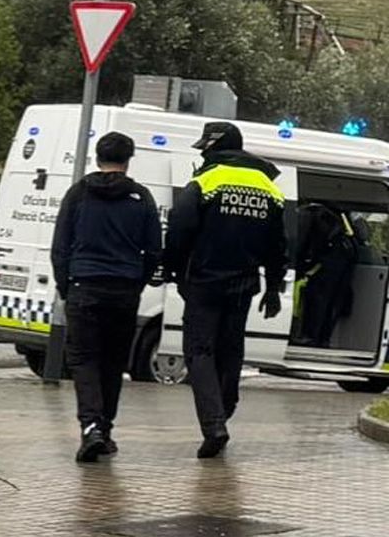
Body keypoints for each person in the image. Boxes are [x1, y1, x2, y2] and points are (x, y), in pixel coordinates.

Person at [163, 121, 288, 458]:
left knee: (199, 351)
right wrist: (274, 287)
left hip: (204, 281)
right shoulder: (270, 189)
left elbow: (179, 228)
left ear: (216, 147)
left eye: (205, 146)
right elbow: (278, 246)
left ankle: (214, 423)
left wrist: (172, 269)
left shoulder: (206, 181)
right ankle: (227, 403)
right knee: (231, 349)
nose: (202, 152)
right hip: (244, 283)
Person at [51, 131, 162, 463]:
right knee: (114, 363)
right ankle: (105, 428)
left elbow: (60, 247)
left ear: (97, 158)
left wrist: (65, 285)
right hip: (124, 290)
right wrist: (137, 282)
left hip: (84, 287)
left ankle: (91, 428)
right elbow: (154, 251)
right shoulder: (141, 198)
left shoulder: (78, 194)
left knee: (83, 360)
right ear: (128, 161)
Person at [294, 202, 358, 348]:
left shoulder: (312, 213)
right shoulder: (339, 218)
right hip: (338, 263)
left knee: (318, 299)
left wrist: (300, 265)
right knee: (330, 301)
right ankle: (322, 338)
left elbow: (300, 244)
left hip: (326, 265)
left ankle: (310, 336)